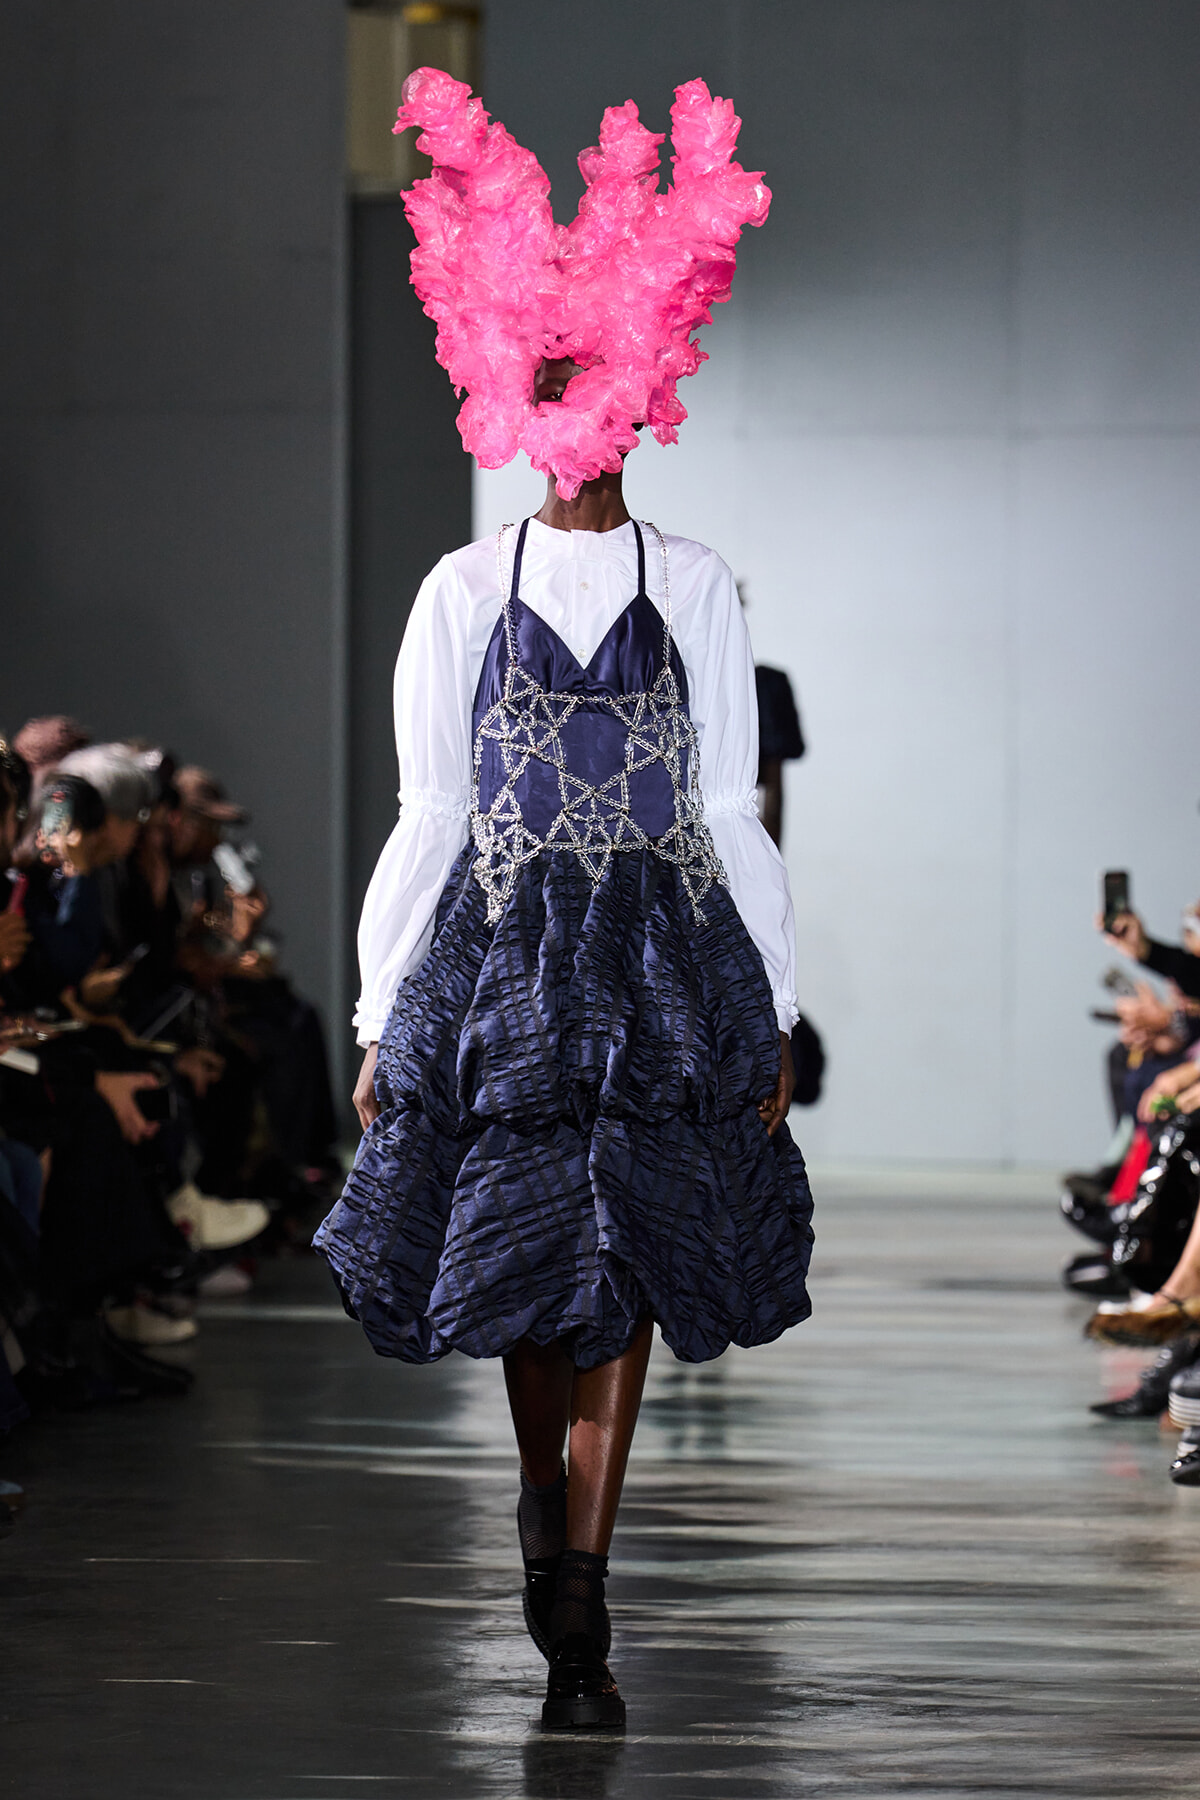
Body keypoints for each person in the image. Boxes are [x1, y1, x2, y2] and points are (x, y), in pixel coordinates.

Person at [315, 69, 814, 1732]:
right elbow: (430, 813)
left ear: (639, 362)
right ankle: (554, 1517)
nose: (562, 381)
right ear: (496, 368)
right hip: (507, 957)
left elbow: (734, 807)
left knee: (638, 1261)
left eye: (586, 356)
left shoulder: (700, 579)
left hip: (665, 960)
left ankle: (581, 1582)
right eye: (535, 357)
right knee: (538, 1266)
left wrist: (778, 1001)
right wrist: (390, 1009)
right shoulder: (463, 589)